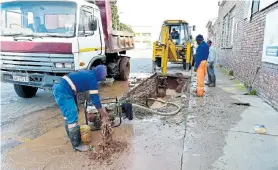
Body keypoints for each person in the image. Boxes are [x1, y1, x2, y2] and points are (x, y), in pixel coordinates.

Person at [52, 65, 109, 152]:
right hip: (63, 90)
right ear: (100, 76)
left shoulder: (88, 73)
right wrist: (102, 113)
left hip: (59, 87)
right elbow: (95, 100)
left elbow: (74, 89)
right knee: (72, 115)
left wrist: (75, 104)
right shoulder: (92, 79)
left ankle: (71, 138)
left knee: (68, 115)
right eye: (102, 78)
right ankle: (77, 145)